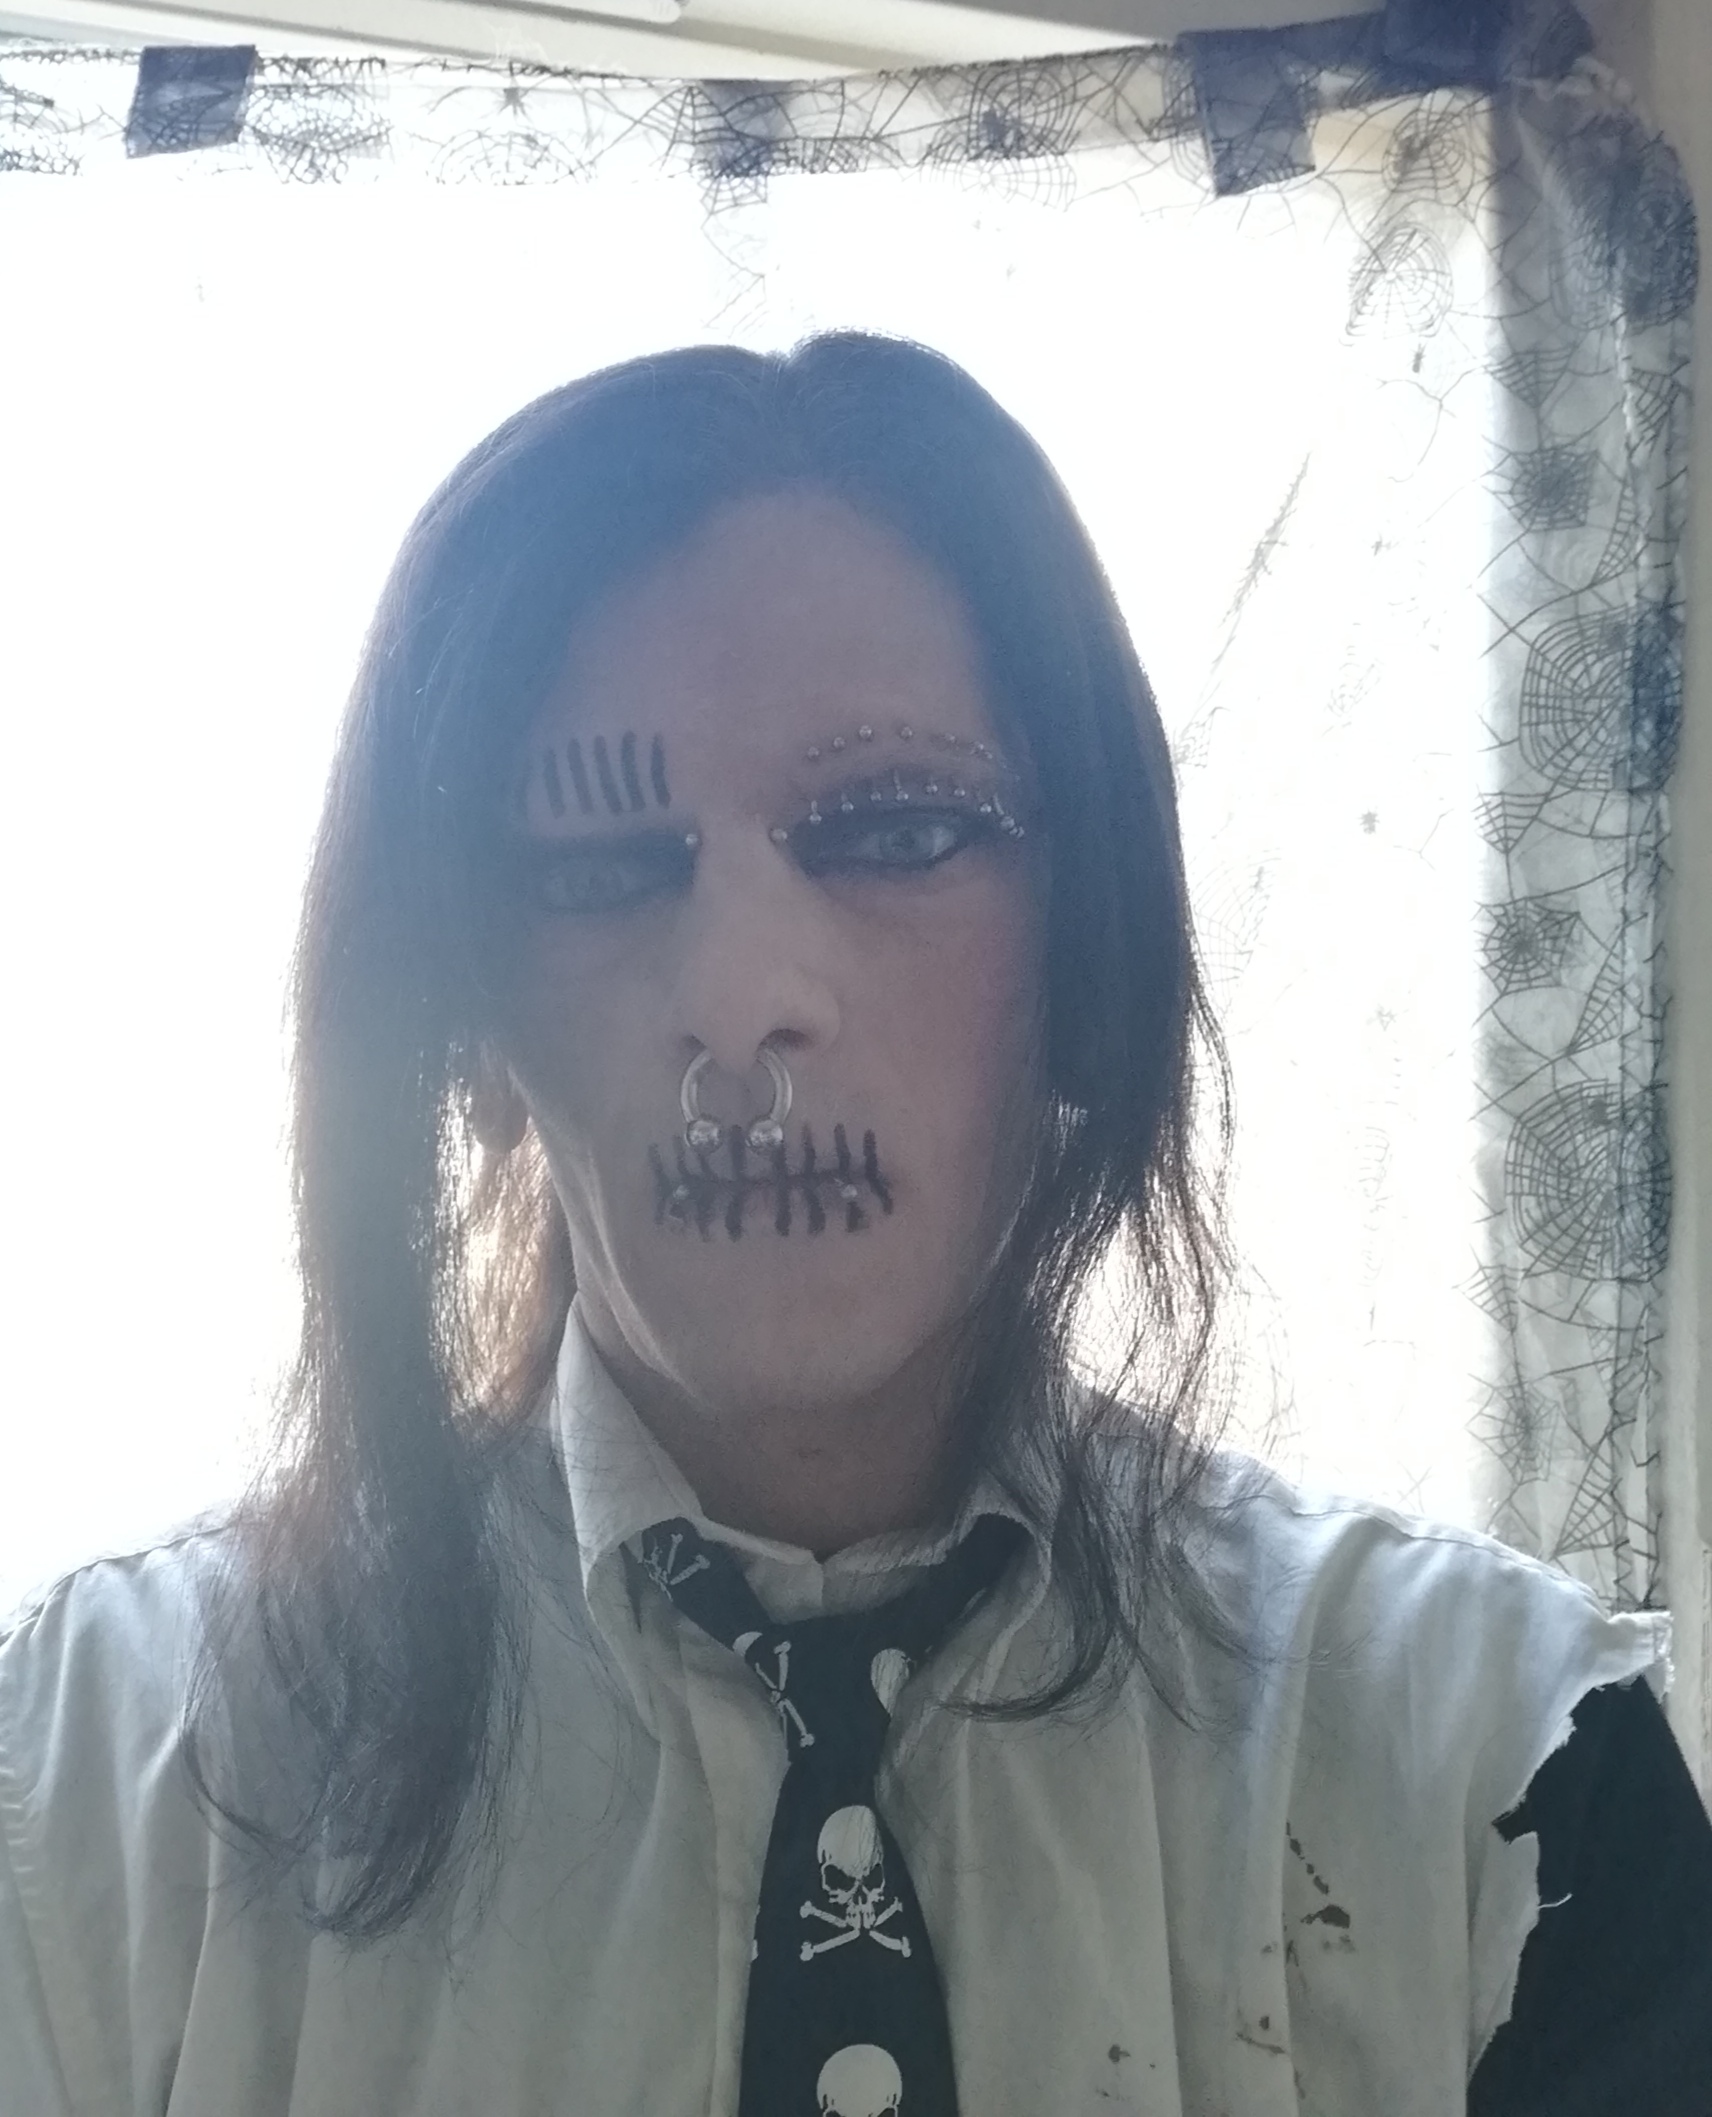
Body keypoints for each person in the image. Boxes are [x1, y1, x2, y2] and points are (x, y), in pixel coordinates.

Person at [0, 333, 1707, 2117]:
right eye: (599, 865)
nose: (744, 1002)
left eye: (893, 831)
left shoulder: (1500, 1784)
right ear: (470, 1019)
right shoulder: (92, 1800)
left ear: (1089, 951)